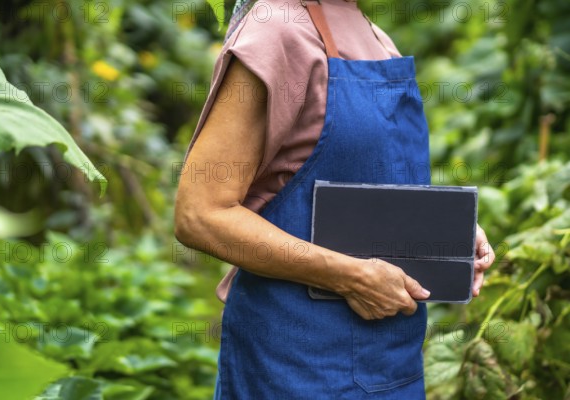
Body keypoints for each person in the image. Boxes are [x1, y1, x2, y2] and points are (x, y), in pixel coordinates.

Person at [174, 0, 495, 398]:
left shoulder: (377, 38)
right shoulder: (277, 29)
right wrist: (350, 276)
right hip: (295, 364)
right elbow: (200, 213)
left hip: (391, 363)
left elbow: (375, 189)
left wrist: (451, 232)